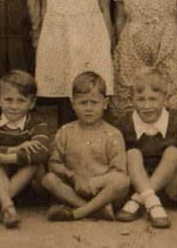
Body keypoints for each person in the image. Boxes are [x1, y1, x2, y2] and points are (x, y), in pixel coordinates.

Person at [41, 72, 130, 222]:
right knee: (48, 179)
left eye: (94, 102)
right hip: (74, 190)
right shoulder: (65, 132)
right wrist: (75, 178)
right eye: (83, 103)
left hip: (103, 192)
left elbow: (118, 170)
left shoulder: (113, 134)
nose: (88, 108)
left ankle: (78, 212)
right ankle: (95, 210)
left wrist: (93, 183)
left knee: (123, 180)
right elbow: (54, 164)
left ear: (105, 103)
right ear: (73, 104)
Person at [114, 68, 177, 229]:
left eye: (153, 99)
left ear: (165, 99)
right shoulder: (124, 125)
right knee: (132, 154)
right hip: (137, 184)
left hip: (169, 189)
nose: (147, 106)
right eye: (140, 99)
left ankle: (141, 198)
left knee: (174, 153)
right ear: (132, 99)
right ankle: (152, 202)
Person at [0, 70, 52, 228]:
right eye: (8, 100)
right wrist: (15, 149)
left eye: (21, 101)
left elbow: (42, 153)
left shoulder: (38, 124)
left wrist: (3, 157)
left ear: (32, 103)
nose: (14, 106)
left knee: (32, 162)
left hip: (32, 188)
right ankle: (9, 208)